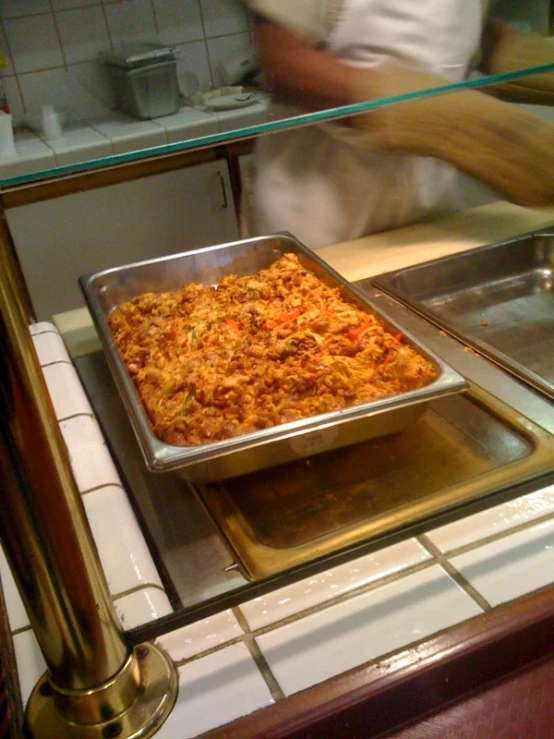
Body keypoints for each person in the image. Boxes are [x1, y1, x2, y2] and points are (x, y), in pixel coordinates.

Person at [241, 0, 554, 249]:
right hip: (323, 210)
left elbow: (456, 28)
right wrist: (463, 127)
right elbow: (284, 62)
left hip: (426, 206)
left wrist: (524, 59)